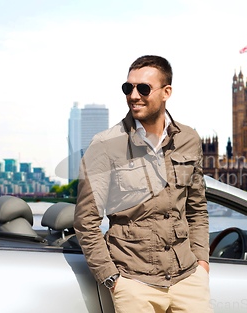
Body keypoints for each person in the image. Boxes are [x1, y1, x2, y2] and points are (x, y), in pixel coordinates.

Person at [74, 55, 212, 313]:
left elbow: (197, 209)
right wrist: (113, 279)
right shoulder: (105, 145)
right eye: (128, 88)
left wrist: (201, 262)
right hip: (134, 282)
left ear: (166, 92)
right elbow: (86, 221)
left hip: (188, 279)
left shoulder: (189, 139)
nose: (133, 95)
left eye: (143, 88)